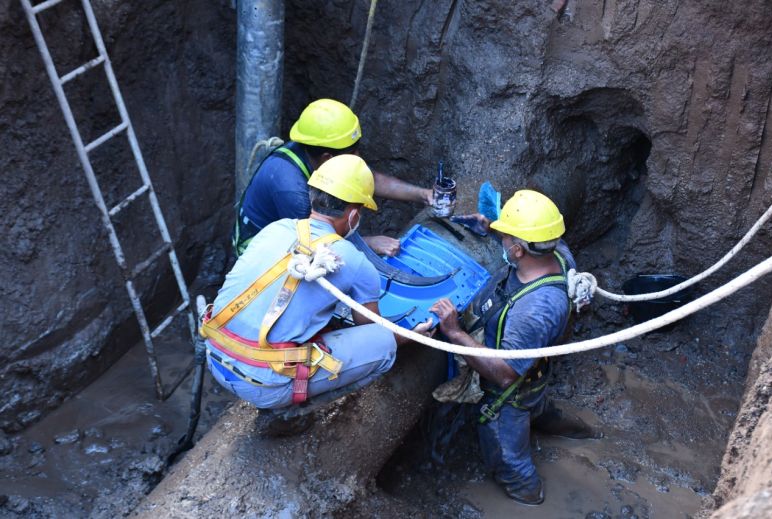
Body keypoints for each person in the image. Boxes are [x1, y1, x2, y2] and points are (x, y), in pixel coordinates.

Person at [203, 154, 432, 411]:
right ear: (354, 215)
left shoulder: (275, 228)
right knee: (384, 344)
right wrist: (410, 337)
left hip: (214, 356)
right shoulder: (354, 262)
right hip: (264, 386)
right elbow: (371, 328)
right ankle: (303, 411)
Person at [430, 190, 594, 506]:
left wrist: (454, 332)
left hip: (508, 395)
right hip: (535, 375)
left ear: (518, 250)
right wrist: (492, 227)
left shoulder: (534, 310)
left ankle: (531, 498)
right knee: (539, 407)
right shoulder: (557, 251)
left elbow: (504, 375)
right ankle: (583, 433)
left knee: (510, 461)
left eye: (506, 238)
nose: (501, 239)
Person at [233, 98, 433, 257]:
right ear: (327, 157)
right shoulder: (293, 191)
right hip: (263, 253)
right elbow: (315, 246)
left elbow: (367, 178)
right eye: (352, 155)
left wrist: (424, 195)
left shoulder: (311, 150)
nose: (357, 160)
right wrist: (370, 243)